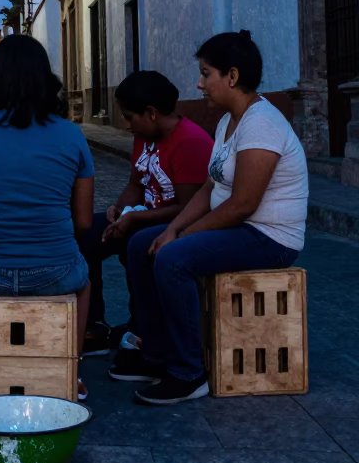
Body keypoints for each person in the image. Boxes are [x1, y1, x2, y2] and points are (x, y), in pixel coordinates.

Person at [125, 30, 307, 406]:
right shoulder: (228, 122)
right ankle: (155, 353)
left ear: (232, 77)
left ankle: (188, 373)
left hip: (269, 238)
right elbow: (211, 188)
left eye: (206, 74)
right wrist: (175, 227)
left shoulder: (262, 123)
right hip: (240, 228)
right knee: (142, 242)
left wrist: (183, 237)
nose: (199, 83)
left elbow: (242, 204)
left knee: (174, 259)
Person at [0, 35, 94, 399]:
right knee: (84, 283)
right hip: (54, 272)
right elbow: (85, 221)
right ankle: (70, 370)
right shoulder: (72, 135)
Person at [79, 71, 213, 365]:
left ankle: (144, 332)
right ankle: (93, 327)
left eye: (129, 117)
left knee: (137, 245)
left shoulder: (190, 143)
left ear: (151, 114)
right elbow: (135, 185)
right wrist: (118, 209)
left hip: (177, 224)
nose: (126, 125)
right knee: (86, 233)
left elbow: (188, 207)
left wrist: (135, 220)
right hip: (142, 216)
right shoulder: (144, 136)